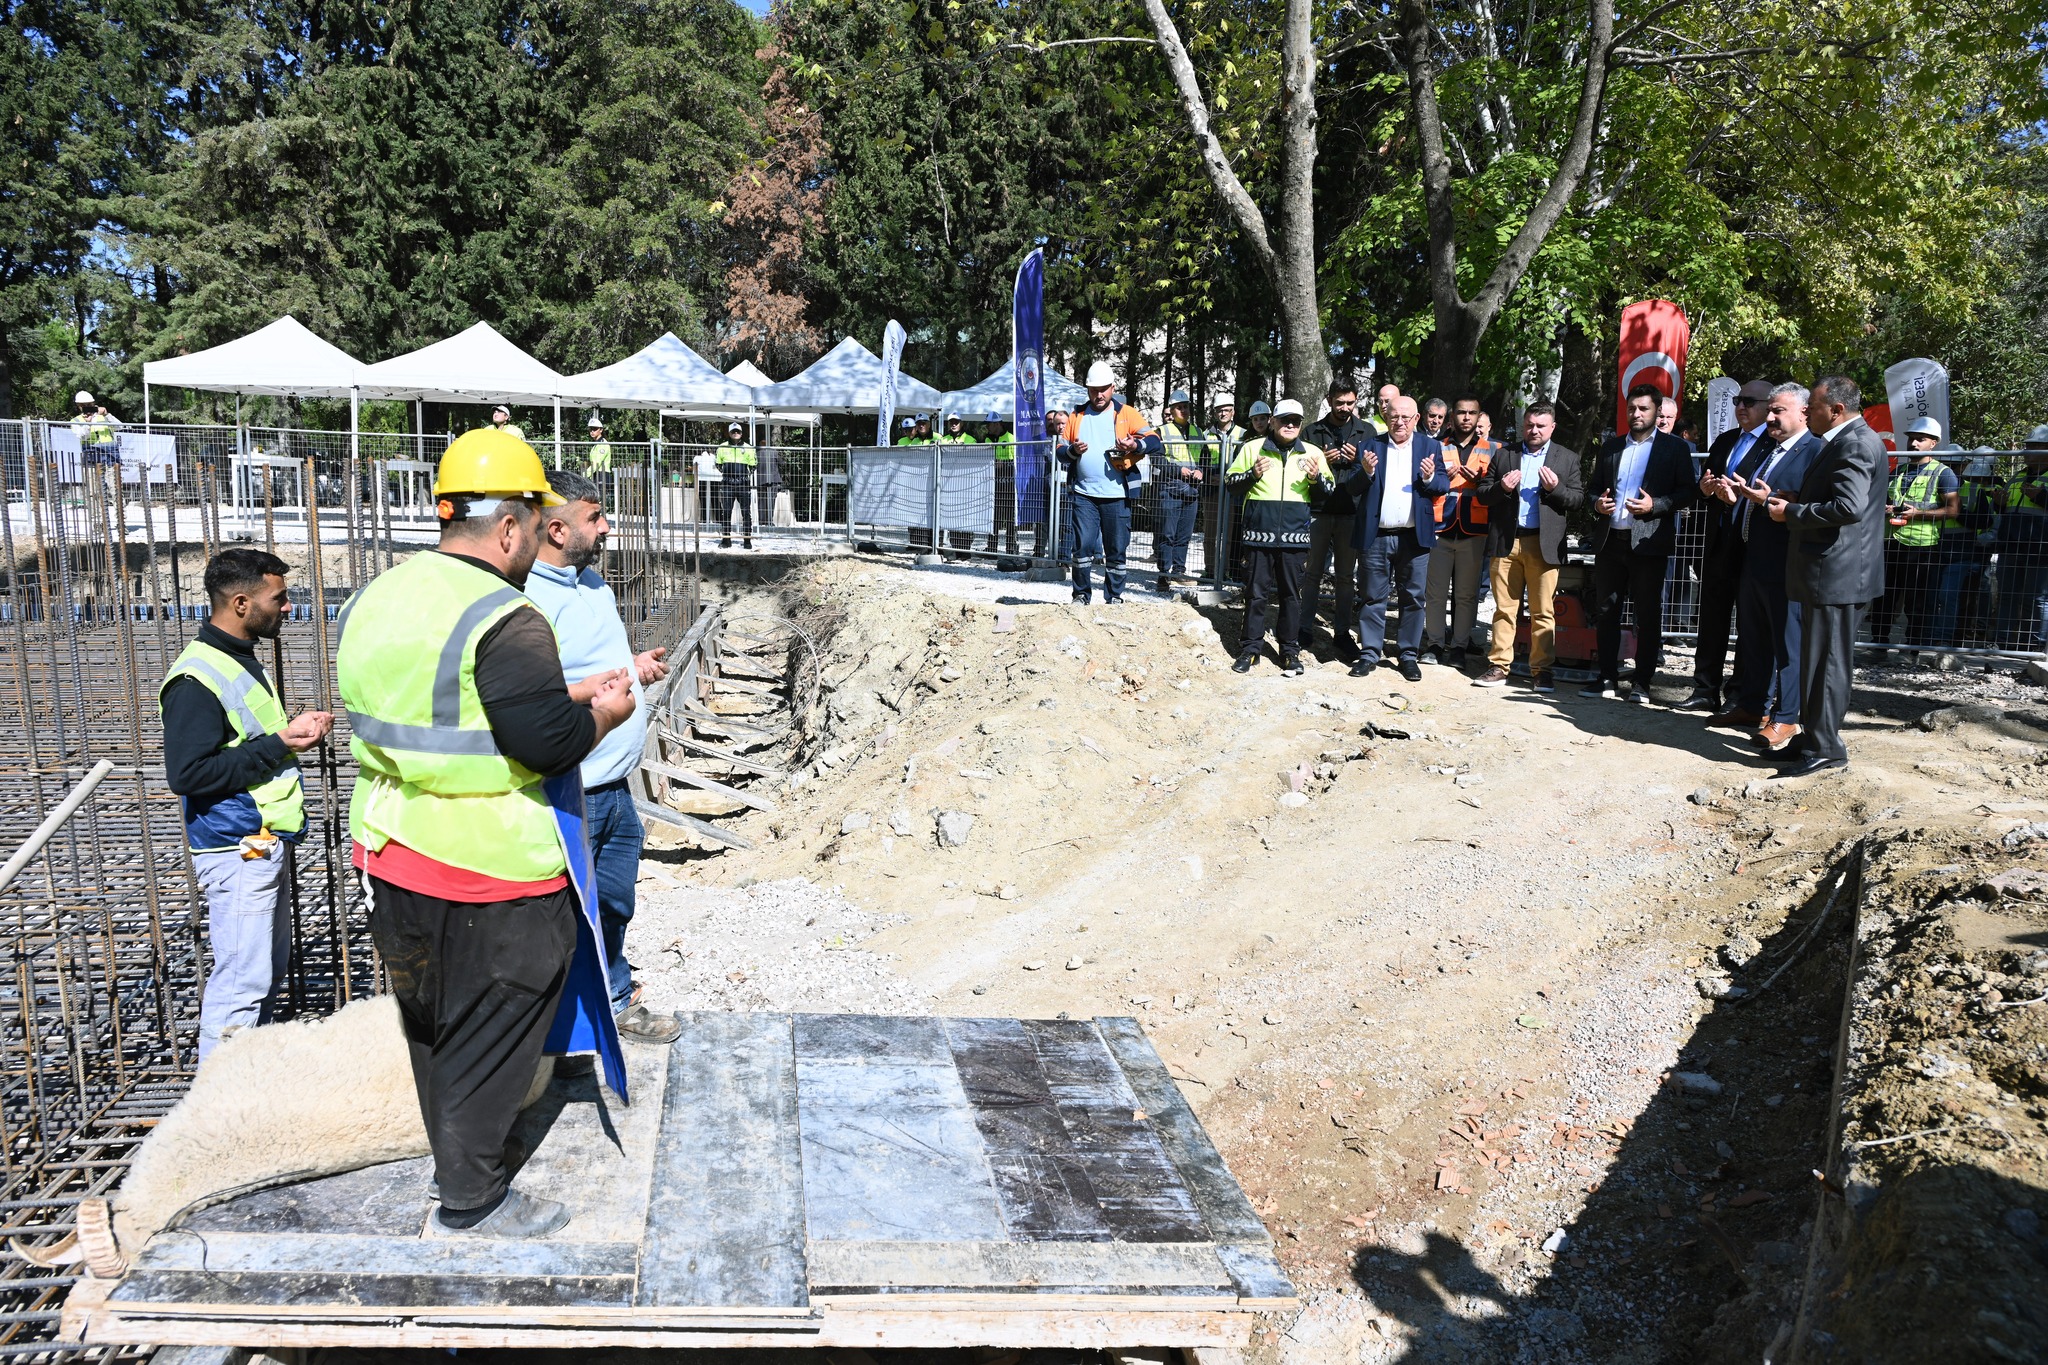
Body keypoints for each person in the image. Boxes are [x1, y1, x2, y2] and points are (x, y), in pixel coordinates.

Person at [338, 428, 637, 1239]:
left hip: (391, 850)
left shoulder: (378, 596)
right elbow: (546, 744)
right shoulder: (509, 616)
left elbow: (453, 708)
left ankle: (455, 1159)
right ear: (509, 528)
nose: (538, 540)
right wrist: (604, 710)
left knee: (432, 1021)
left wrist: (552, 693)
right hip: (490, 868)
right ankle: (472, 1198)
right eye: (536, 525)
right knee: (493, 1027)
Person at [523, 470, 683, 1045]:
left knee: (613, 901)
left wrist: (631, 667)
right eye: (596, 518)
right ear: (559, 528)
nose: (608, 527)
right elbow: (530, 693)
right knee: (569, 911)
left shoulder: (593, 586)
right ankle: (573, 1020)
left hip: (614, 785)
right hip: (571, 786)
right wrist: (596, 687)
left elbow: (592, 666)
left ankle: (611, 992)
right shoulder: (528, 600)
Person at [161, 549, 332, 1062]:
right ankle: (217, 1107)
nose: (287, 608)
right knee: (241, 983)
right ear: (240, 602)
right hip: (235, 849)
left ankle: (243, 1092)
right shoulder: (196, 679)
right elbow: (188, 774)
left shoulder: (235, 658)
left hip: (258, 843)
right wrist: (282, 741)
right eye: (277, 599)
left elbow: (243, 742)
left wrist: (284, 738)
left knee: (261, 972)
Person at [1762, 376, 1886, 777]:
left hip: (1839, 573)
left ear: (1835, 410)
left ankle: (1827, 748)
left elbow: (1849, 507)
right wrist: (1800, 501)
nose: (1807, 412)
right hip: (1829, 572)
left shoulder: (1854, 443)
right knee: (1816, 661)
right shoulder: (1846, 440)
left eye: (1812, 406)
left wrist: (1792, 514)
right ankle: (1811, 738)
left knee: (1829, 664)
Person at [1707, 383, 1824, 752]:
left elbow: (1815, 506)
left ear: (1803, 413)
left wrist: (1769, 499)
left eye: (1779, 412)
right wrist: (1732, 499)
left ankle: (1786, 717)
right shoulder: (1768, 450)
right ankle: (1751, 706)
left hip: (1788, 564)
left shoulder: (1816, 453)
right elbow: (1753, 497)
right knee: (1754, 639)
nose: (1770, 418)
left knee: (1787, 646)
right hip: (1753, 559)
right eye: (1769, 410)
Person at [1579, 383, 1699, 702]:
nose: (1636, 414)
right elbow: (1593, 488)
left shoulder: (1674, 449)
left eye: (1643, 408)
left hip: (1648, 543)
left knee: (1647, 615)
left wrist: (1655, 506)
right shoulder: (1612, 447)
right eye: (1631, 408)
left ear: (1657, 411)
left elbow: (1688, 491)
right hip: (1610, 542)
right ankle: (1606, 677)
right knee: (1606, 611)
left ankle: (1642, 683)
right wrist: (1596, 504)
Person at [1680, 380, 1776, 712]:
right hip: (1719, 541)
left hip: (1752, 545)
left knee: (1749, 624)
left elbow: (1776, 495)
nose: (1741, 406)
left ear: (1768, 405)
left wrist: (1739, 498)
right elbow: (1703, 489)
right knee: (1712, 618)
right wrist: (1706, 490)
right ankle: (1705, 688)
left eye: (1749, 401)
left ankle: (1738, 694)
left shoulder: (1775, 443)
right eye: (1738, 400)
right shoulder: (1725, 440)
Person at [1472, 404, 1582, 690]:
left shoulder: (1566, 459)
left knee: (1543, 612)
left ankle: (1541, 671)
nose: (1534, 430)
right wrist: (1502, 489)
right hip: (1507, 542)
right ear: (1523, 425)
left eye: (1541, 426)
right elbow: (1483, 494)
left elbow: (1577, 501)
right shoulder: (1505, 454)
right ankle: (1498, 666)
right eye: (1530, 424)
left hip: (1543, 545)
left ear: (1552, 427)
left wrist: (1556, 488)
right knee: (1504, 609)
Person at [1345, 395, 1449, 682]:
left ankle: (1407, 655)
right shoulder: (1369, 446)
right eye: (1394, 416)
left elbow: (1442, 484)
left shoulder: (1430, 446)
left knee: (1413, 598)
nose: (1399, 422)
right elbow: (1351, 487)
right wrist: (1366, 471)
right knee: (1371, 597)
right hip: (1376, 536)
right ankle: (1369, 654)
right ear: (1386, 416)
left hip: (1414, 538)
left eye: (1406, 417)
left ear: (1417, 419)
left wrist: (1429, 479)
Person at [1226, 399, 1331, 674]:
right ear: (1272, 421)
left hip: (1295, 540)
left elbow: (1328, 492)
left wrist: (1315, 479)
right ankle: (1250, 649)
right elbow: (1230, 484)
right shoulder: (1252, 448)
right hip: (1257, 538)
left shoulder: (1312, 453)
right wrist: (1252, 474)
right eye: (1285, 420)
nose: (1290, 425)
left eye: (1295, 421)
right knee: (1255, 594)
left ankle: (1289, 651)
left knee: (1291, 597)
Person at [1058, 362, 1161, 605]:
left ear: (1113, 387)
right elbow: (1060, 449)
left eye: (1104, 389)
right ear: (1087, 390)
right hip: (1084, 494)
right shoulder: (1077, 415)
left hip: (1117, 495)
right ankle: (1081, 595)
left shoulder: (1126, 413)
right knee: (1082, 548)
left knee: (1116, 549)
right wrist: (1072, 450)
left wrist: (1136, 445)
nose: (1099, 394)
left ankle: (1114, 597)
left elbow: (1155, 440)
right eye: (1094, 389)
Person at [1865, 417, 1959, 656]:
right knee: (1884, 597)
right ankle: (1879, 646)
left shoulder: (1943, 473)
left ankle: (1912, 650)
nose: (1914, 443)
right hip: (1891, 542)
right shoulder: (1900, 470)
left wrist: (1919, 513)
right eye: (1911, 438)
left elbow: (1952, 510)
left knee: (1917, 602)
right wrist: (1888, 508)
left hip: (1922, 546)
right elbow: (1888, 501)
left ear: (1933, 444)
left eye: (1921, 439)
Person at [1423, 394, 1498, 669]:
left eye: (1472, 413)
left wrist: (1480, 481)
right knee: (1435, 592)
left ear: (1480, 417)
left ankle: (1459, 647)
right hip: (1440, 527)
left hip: (1474, 529)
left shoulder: (1494, 449)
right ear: (1452, 416)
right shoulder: (1434, 446)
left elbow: (1497, 488)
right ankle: (1433, 644)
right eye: (1461, 412)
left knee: (1466, 594)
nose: (1466, 417)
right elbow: (1423, 482)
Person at [1305, 380, 1371, 658]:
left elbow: (1372, 471)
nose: (1344, 408)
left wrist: (1357, 460)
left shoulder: (1366, 431)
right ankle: (1304, 628)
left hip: (1351, 513)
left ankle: (1342, 633)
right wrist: (1324, 462)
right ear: (1329, 399)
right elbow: (1303, 471)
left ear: (1356, 402)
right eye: (1339, 402)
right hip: (1319, 511)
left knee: (1345, 577)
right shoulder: (1312, 431)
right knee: (1311, 574)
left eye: (1350, 403)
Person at [1994, 428, 2048, 651]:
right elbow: (2005, 512)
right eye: (2026, 446)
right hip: (2010, 545)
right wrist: (1999, 503)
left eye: (2033, 447)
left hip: (2041, 548)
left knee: (2036, 598)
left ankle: (2035, 646)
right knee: (2006, 595)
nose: (2026, 451)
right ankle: (2003, 642)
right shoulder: (2017, 476)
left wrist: (2041, 497)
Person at [1155, 390, 1210, 588]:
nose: (1184, 410)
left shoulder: (1197, 432)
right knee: (1167, 535)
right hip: (1170, 489)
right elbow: (1157, 459)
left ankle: (1178, 571)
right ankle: (1163, 575)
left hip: (1192, 491)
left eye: (1186, 407)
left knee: (1183, 536)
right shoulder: (1162, 431)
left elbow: (1205, 458)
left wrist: (1202, 471)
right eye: (1179, 407)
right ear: (1172, 410)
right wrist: (1180, 471)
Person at [712, 420, 756, 549]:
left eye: (738, 431)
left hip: (743, 483)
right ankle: (726, 539)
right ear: (729, 433)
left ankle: (747, 540)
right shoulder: (722, 446)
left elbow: (753, 465)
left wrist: (745, 475)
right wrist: (727, 474)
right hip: (727, 483)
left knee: (746, 512)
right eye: (733, 431)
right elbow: (718, 463)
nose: (736, 433)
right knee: (726, 512)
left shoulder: (748, 447)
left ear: (741, 433)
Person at [985, 420, 1021, 561]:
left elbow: (1018, 461)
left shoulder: (1011, 438)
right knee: (994, 518)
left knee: (1010, 518)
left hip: (1009, 485)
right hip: (993, 485)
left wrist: (1004, 463)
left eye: (989, 424)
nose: (987, 427)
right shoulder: (988, 439)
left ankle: (1010, 548)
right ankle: (992, 547)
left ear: (998, 424)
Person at [72, 391, 121, 464]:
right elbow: (83, 436)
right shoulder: (76, 420)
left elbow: (119, 427)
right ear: (78, 406)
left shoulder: (104, 416)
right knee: (91, 475)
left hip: (110, 450)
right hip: (90, 450)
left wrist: (107, 415)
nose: (87, 407)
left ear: (93, 404)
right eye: (83, 405)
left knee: (112, 475)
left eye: (89, 404)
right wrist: (88, 423)